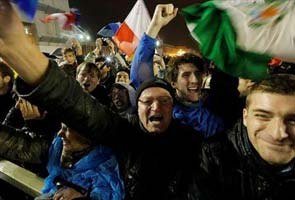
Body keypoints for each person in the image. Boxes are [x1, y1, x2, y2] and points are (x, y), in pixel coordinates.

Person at [0, 2, 201, 200]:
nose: (156, 106)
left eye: (164, 101)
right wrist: (19, 50)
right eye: (147, 101)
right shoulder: (125, 132)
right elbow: (75, 104)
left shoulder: (191, 142)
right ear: (136, 107)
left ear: (173, 106)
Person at [130, 4, 240, 138]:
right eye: (186, 75)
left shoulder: (215, 108)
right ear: (173, 83)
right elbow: (141, 78)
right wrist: (155, 27)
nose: (194, 80)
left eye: (198, 74)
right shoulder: (166, 110)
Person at [188, 73, 295, 200]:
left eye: (293, 120)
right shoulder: (214, 158)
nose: (278, 134)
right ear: (245, 117)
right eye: (262, 116)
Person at [0, 123, 124, 200]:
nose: (60, 133)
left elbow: (104, 195)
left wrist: (82, 196)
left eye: (67, 129)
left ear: (86, 134)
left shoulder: (104, 164)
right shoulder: (57, 147)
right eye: (61, 127)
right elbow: (20, 145)